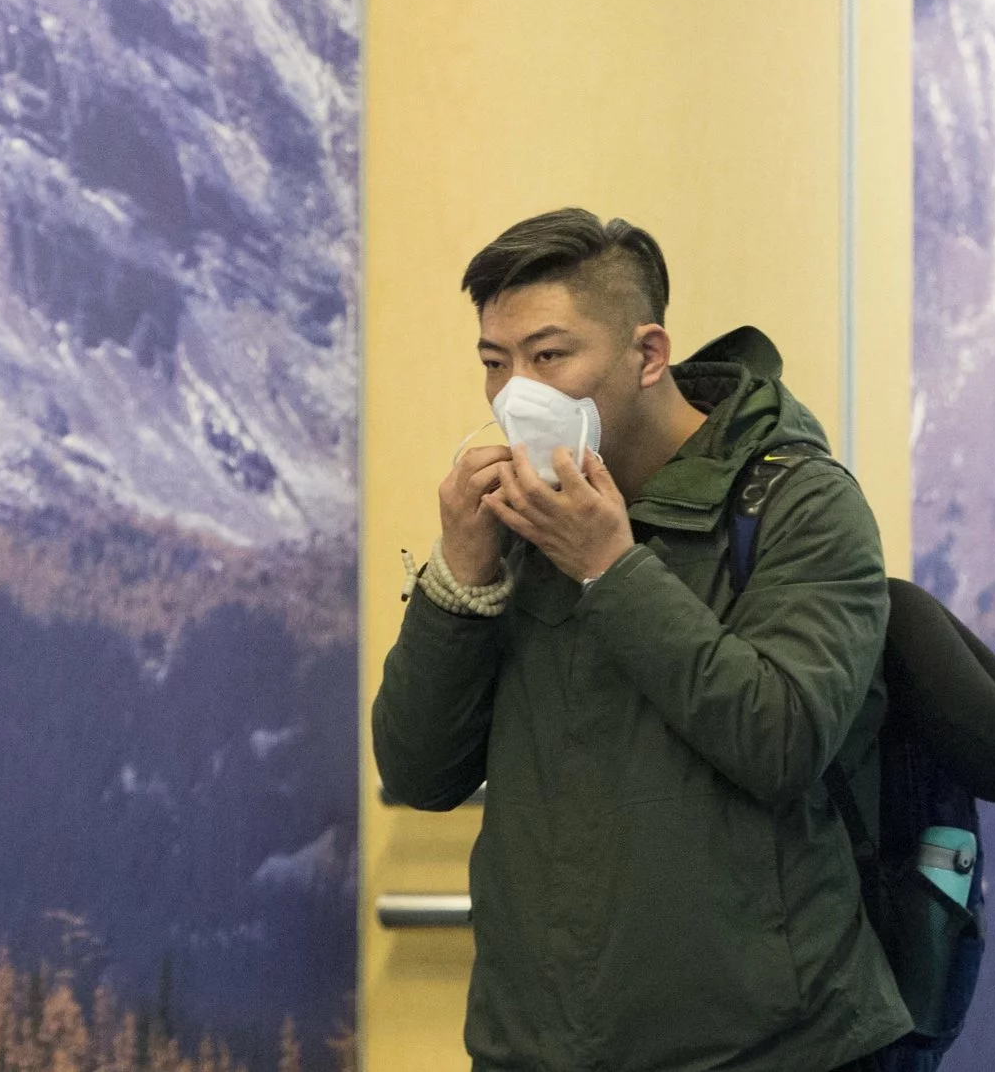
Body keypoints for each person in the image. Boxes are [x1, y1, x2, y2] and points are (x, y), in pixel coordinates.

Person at [373, 208, 909, 1072]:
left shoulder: (802, 503)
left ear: (648, 354)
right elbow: (418, 770)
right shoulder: (518, 516)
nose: (518, 392)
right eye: (494, 362)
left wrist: (611, 568)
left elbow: (783, 737)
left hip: (768, 1051)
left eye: (550, 356)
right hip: (534, 1050)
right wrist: (459, 579)